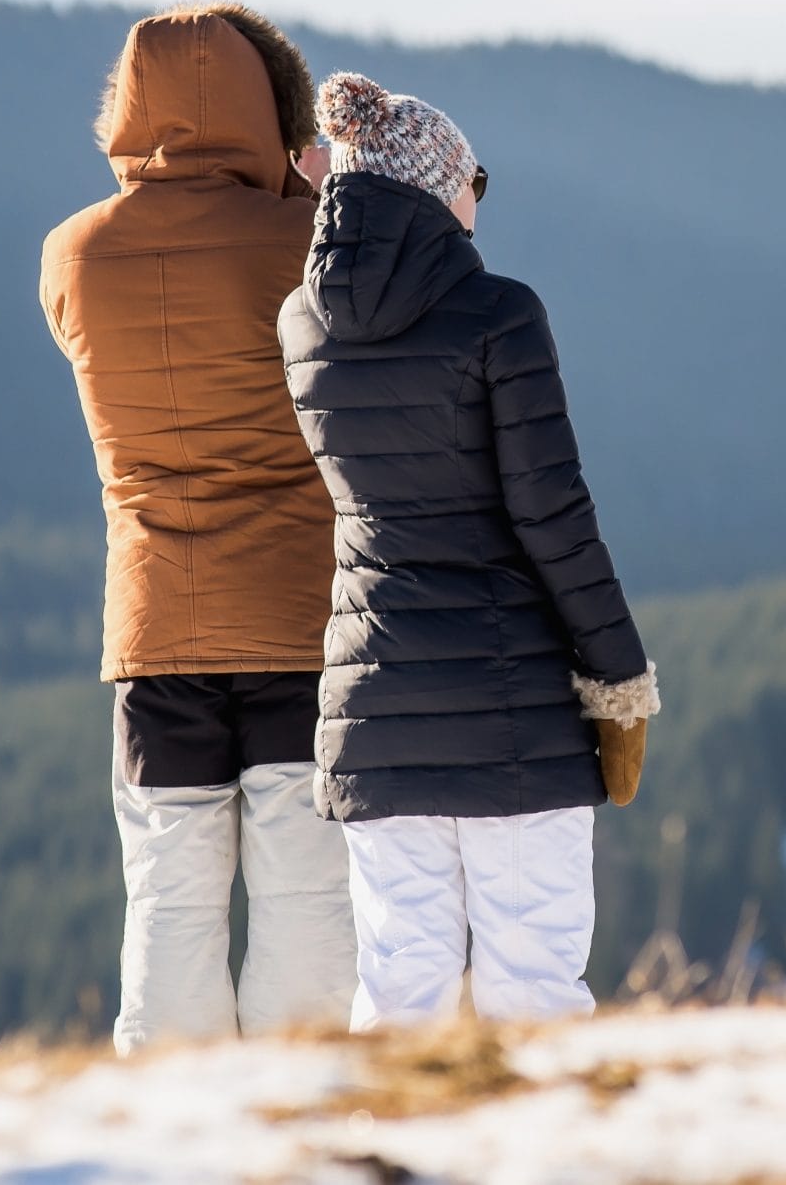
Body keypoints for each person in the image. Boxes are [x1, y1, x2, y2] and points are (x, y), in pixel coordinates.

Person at [280, 71, 658, 1028]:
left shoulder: (301, 324)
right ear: (434, 189)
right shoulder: (502, 317)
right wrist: (619, 677)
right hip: (514, 715)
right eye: (472, 180)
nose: (478, 200)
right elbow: (553, 516)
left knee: (401, 993)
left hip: (374, 712)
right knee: (531, 994)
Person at [39, 4, 357, 1053]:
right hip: (297, 618)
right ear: (270, 112)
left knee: (169, 896)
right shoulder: (307, 240)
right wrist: (309, 193)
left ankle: (167, 1125)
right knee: (306, 895)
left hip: (153, 630)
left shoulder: (73, 254)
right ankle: (295, 1114)